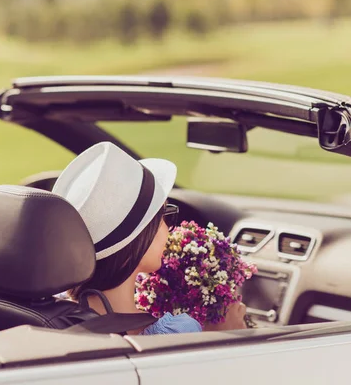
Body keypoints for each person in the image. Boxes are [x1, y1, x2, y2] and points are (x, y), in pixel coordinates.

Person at [52, 141, 246, 335]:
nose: (169, 228)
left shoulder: (48, 317)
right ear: (138, 238)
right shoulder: (177, 333)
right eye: (163, 216)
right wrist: (225, 334)